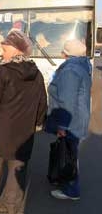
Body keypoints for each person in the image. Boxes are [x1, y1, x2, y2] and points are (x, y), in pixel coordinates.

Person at [0, 30, 47, 214]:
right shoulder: (36, 73)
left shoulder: (3, 71)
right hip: (24, 131)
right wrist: (38, 123)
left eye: (4, 50)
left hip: (0, 129)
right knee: (18, 168)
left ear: (16, 50)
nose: (2, 54)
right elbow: (42, 101)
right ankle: (12, 205)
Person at [45, 39, 91, 201]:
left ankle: (71, 190)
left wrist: (62, 126)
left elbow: (67, 101)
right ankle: (66, 181)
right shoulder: (82, 65)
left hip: (71, 122)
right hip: (78, 118)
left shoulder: (70, 70)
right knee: (71, 153)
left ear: (67, 53)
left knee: (69, 155)